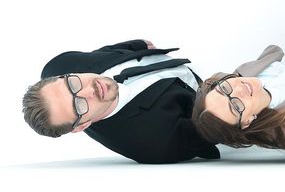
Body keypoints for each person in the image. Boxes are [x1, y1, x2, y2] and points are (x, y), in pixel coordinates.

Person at [22, 39, 219, 163]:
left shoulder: (59, 66)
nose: (89, 90)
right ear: (81, 126)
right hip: (218, 88)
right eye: (79, 105)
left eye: (73, 84)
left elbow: (100, 54)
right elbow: (216, 131)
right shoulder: (154, 143)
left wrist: (137, 46)